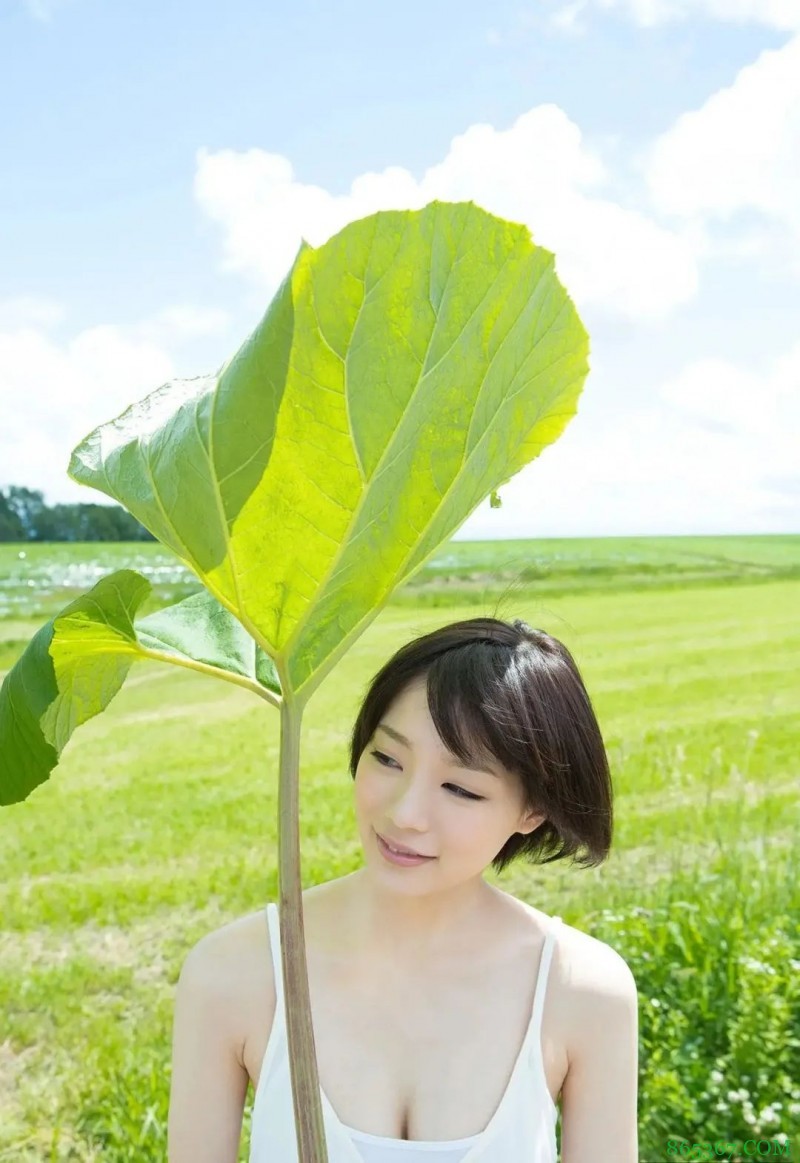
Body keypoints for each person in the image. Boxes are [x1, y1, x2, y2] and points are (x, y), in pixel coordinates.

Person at [168, 616, 639, 1162]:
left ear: (533, 810)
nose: (405, 813)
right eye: (387, 758)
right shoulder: (235, 973)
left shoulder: (579, 991)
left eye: (460, 788)